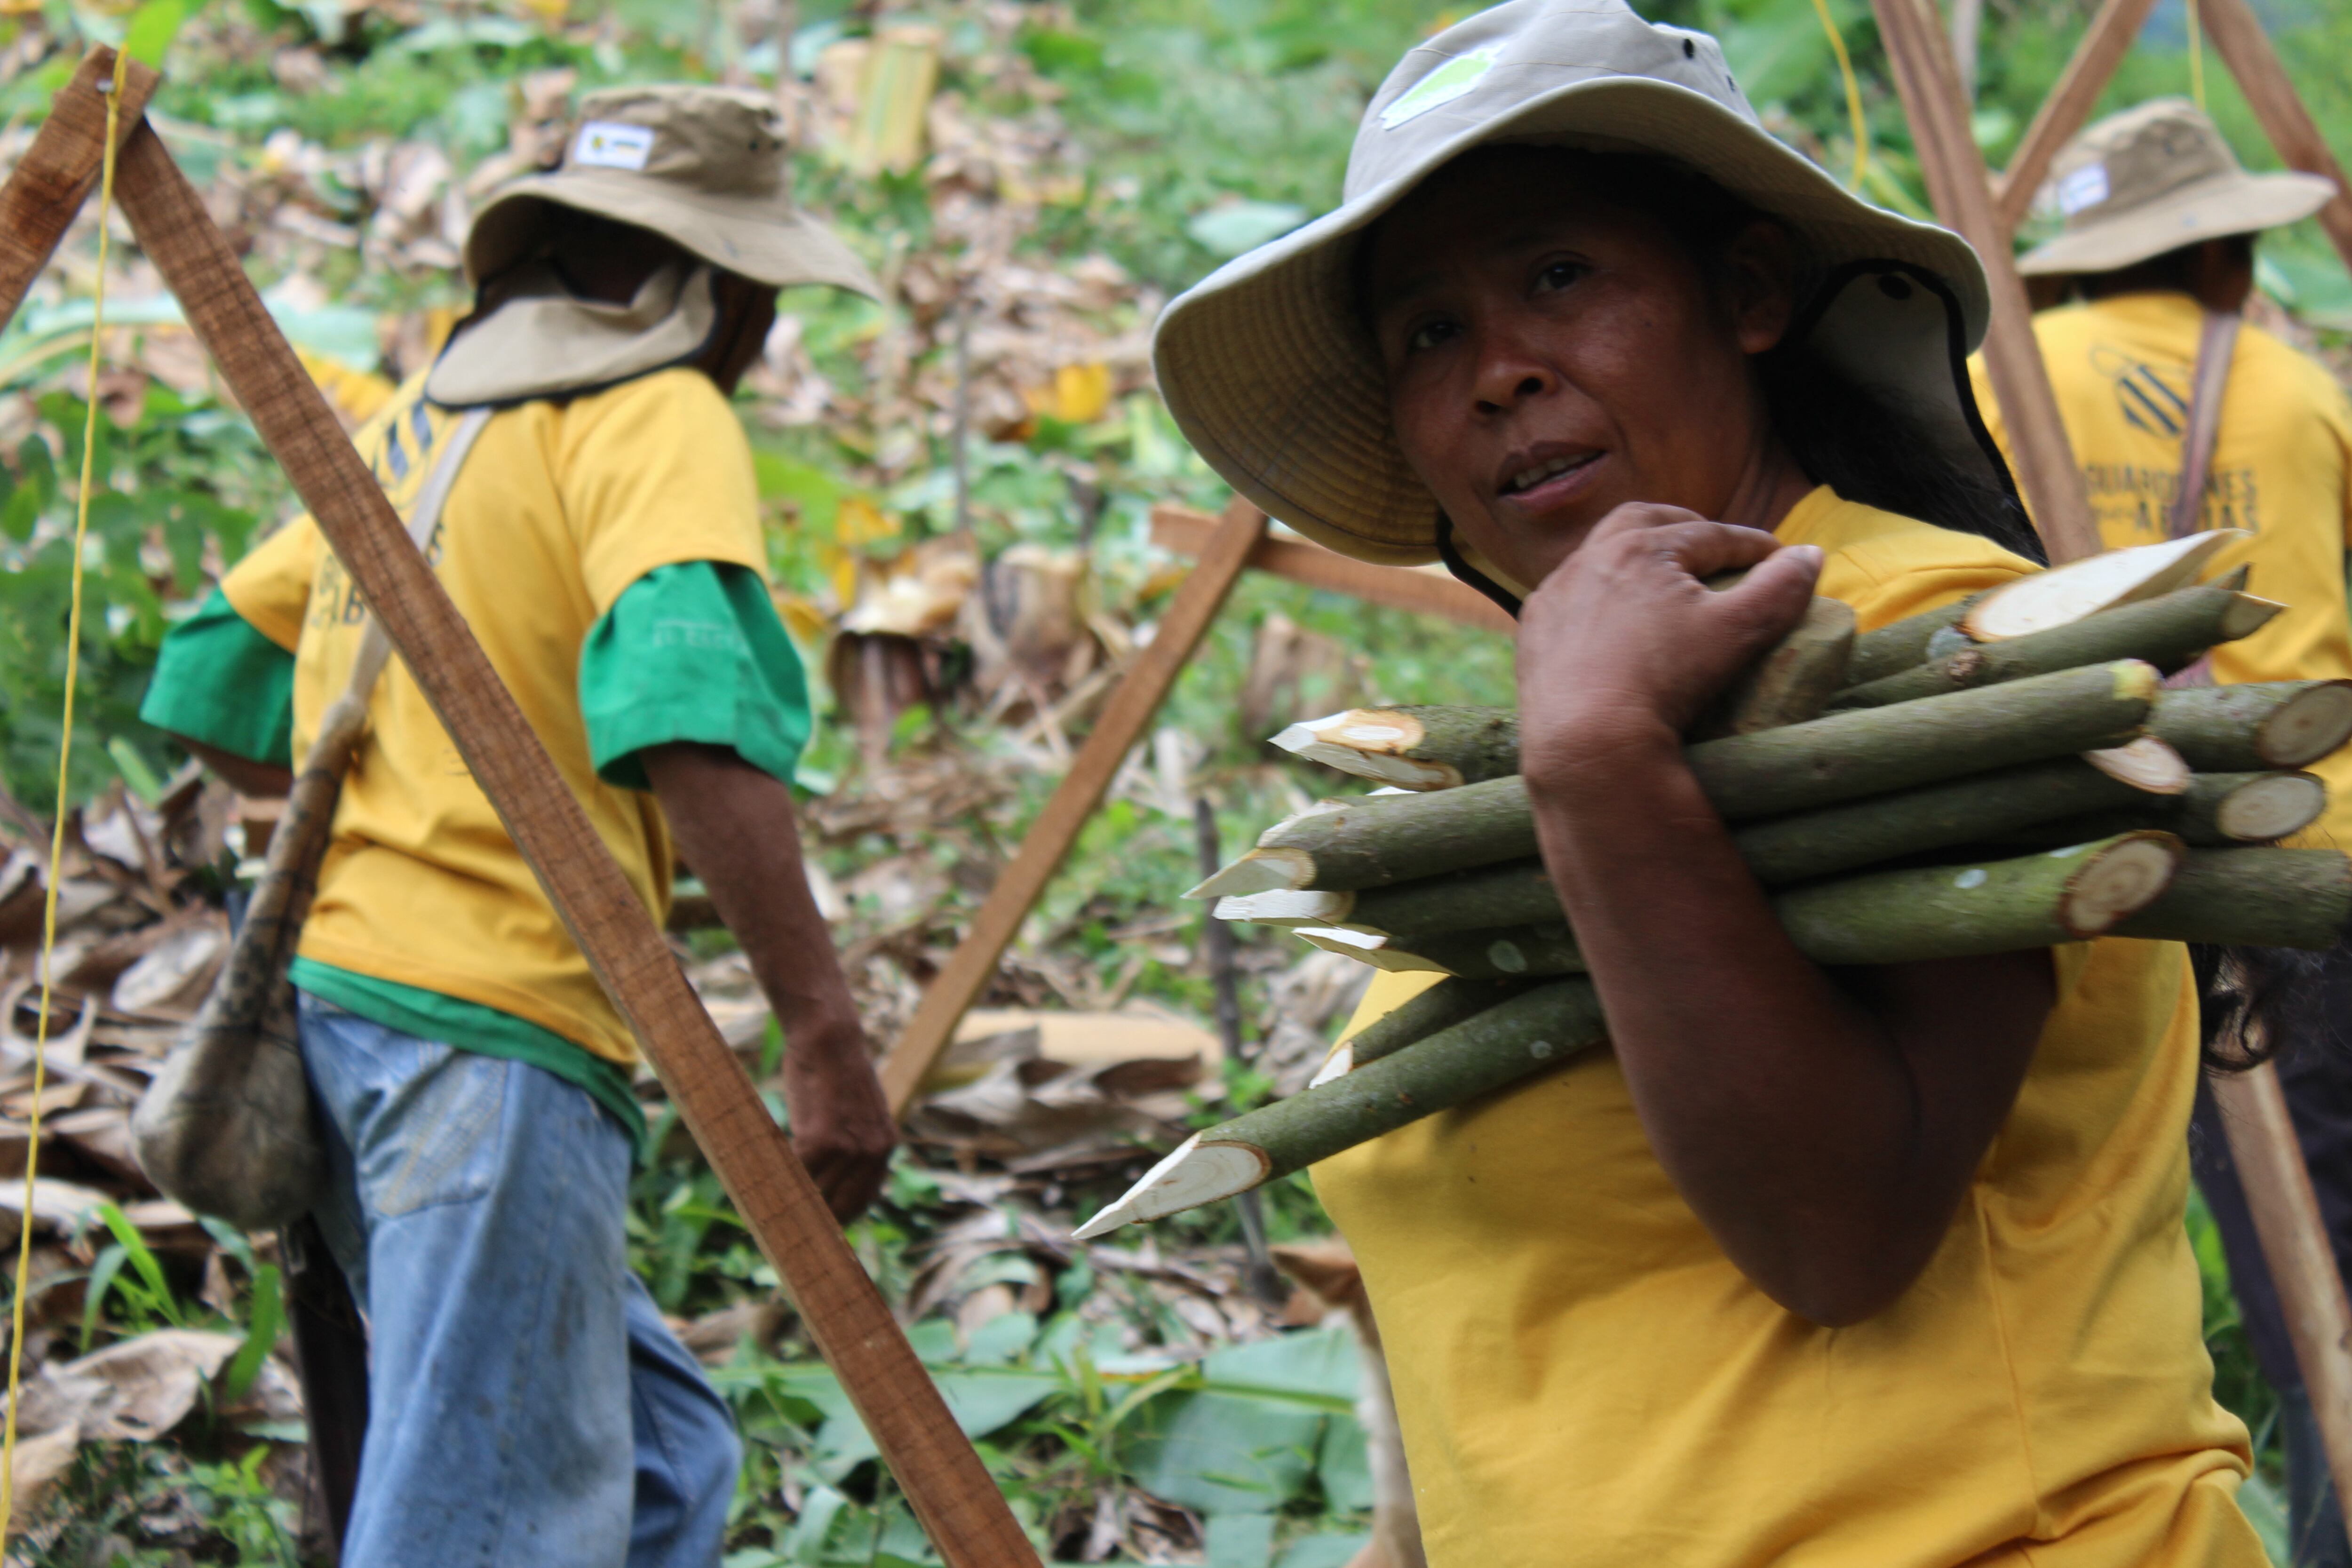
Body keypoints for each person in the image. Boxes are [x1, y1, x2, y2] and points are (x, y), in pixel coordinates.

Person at [1149, 3, 2268, 1563]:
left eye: (1557, 277)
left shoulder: (1924, 650)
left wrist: (1604, 773)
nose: (1497, 376)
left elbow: (1840, 1234)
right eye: (1429, 333)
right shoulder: (1567, 733)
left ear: (1744, 293)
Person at [138, 86, 897, 1568]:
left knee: (665, 1465)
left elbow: (211, 679)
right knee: (487, 1532)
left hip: (346, 1014)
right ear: (725, 287)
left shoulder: (425, 427)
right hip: (484, 1037)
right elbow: (687, 711)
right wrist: (824, 1032)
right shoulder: (653, 411)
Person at [1972, 98, 2352, 1567]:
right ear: (2228, 260)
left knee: (2220, 1223)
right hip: (2315, 852)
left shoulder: (2006, 374)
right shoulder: (2301, 385)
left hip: (2125, 858)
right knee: (2324, 1218)